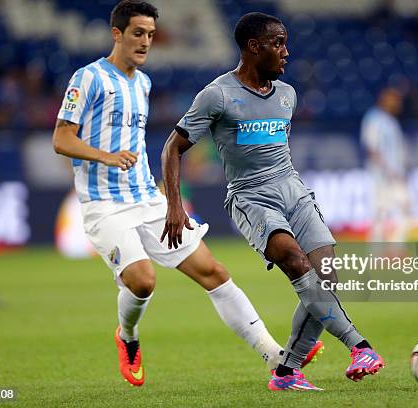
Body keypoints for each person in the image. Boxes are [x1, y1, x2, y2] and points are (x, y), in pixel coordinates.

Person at [51, 0, 321, 388]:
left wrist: (167, 196)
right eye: (137, 33)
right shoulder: (89, 78)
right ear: (117, 34)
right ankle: (127, 337)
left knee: (214, 272)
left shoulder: (142, 82)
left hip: (146, 197)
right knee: (143, 281)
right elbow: (61, 138)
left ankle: (274, 354)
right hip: (105, 204)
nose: (145, 42)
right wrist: (105, 157)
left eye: (150, 35)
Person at [162, 12, 385, 391]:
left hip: (292, 189)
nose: (287, 52)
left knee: (326, 274)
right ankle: (358, 345)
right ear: (254, 46)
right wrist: (174, 204)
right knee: (296, 262)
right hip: (251, 197)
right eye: (278, 43)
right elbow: (173, 147)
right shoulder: (218, 94)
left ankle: (286, 373)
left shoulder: (287, 95)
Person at [361, 87, 410, 243]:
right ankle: (379, 249)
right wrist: (387, 170)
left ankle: (395, 247)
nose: (398, 105)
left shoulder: (390, 120)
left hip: (394, 174)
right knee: (382, 212)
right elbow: (372, 148)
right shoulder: (374, 119)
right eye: (395, 100)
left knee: (400, 209)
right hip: (382, 176)